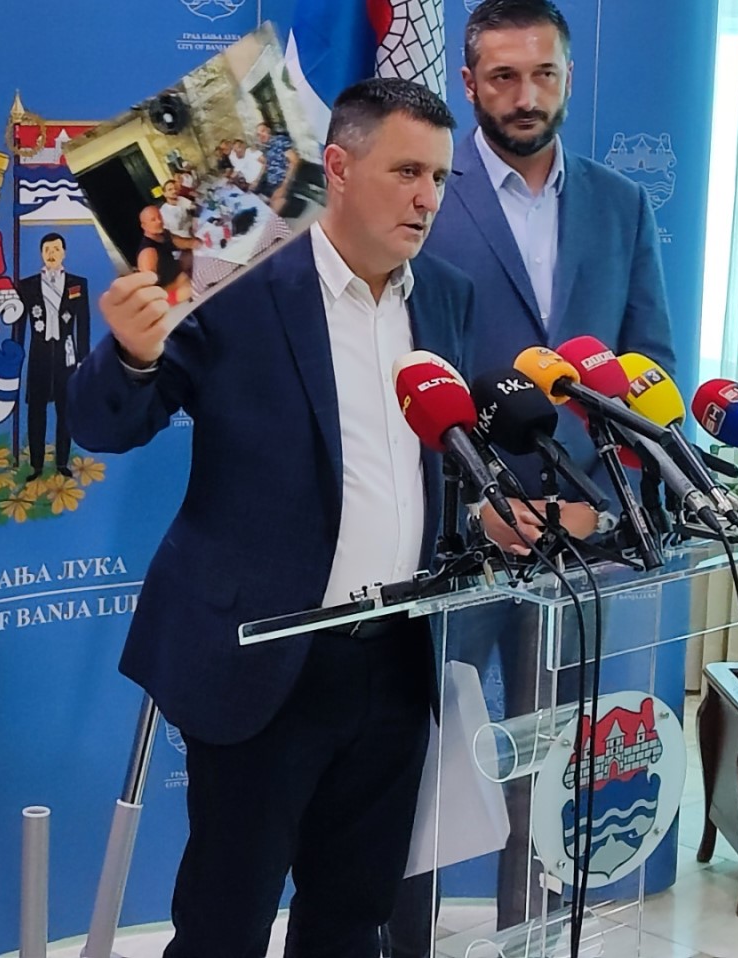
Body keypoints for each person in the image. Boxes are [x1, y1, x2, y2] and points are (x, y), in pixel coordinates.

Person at [68, 78, 471, 958]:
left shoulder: (444, 296)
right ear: (339, 167)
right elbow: (105, 426)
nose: (428, 198)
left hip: (394, 660)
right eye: (407, 171)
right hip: (266, 659)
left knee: (352, 919)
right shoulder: (232, 280)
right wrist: (131, 354)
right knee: (225, 925)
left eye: (440, 178)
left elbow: (439, 467)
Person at [384, 1, 681, 951]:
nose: (525, 95)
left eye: (543, 74)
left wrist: (601, 504)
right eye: (503, 76)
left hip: (581, 548)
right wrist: (480, 505)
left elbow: (648, 367)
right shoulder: (425, 195)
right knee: (425, 767)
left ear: (568, 79)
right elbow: (389, 367)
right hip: (453, 543)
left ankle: (536, 936)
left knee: (555, 770)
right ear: (467, 83)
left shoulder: (620, 204)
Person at [14, 232, 91, 481]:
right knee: (36, 410)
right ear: (41, 253)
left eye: (56, 249)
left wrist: (84, 358)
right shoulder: (27, 285)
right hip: (39, 354)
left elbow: (83, 324)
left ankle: (61, 462)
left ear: (64, 253)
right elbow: (19, 325)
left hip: (66, 355)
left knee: (65, 409)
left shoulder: (78, 284)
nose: (51, 254)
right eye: (47, 249)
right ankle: (36, 464)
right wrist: (16, 354)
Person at [136, 204, 195, 304]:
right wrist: (174, 287)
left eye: (159, 217)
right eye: (153, 220)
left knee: (194, 255)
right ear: (144, 226)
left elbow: (181, 242)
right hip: (171, 294)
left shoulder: (163, 234)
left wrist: (197, 242)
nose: (159, 221)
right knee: (197, 285)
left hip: (180, 274)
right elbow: (149, 287)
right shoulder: (148, 252)